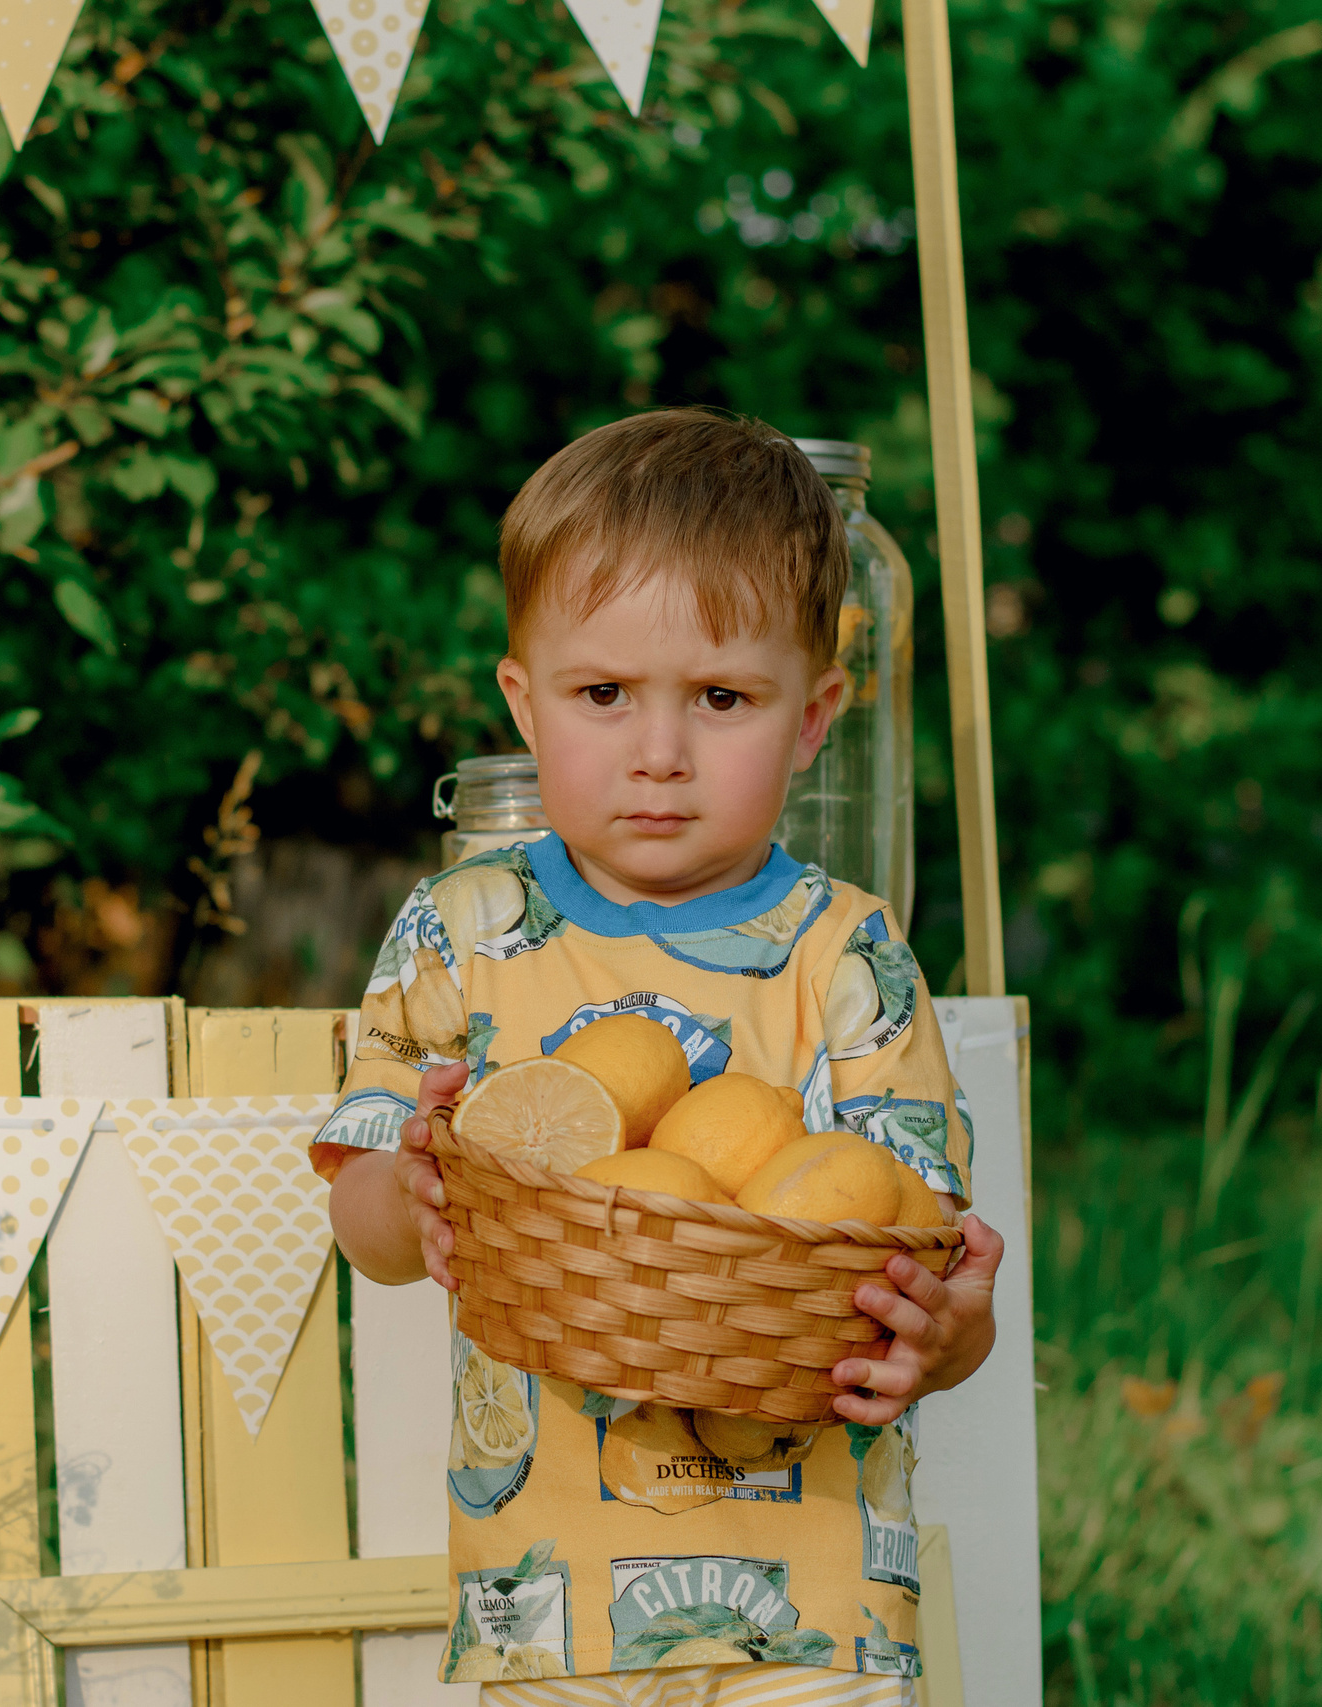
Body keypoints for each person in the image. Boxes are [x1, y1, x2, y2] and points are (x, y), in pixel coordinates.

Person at [313, 409, 1004, 1706]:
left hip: (816, 1611)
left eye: (725, 700)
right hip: (550, 1599)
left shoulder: (846, 954)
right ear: (524, 701)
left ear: (815, 719)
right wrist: (415, 1191)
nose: (661, 754)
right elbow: (366, 1219)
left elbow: (918, 1258)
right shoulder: (460, 933)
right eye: (604, 694)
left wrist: (948, 1333)